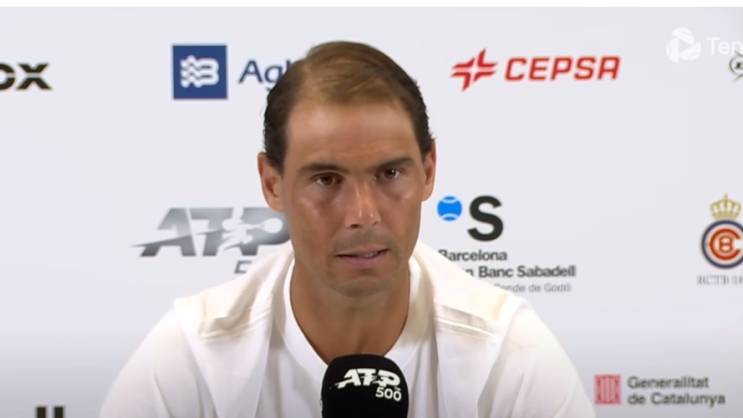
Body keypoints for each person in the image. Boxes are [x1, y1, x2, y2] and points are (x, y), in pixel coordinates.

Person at [100, 41, 595, 418]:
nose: (363, 213)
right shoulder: (193, 356)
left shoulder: (506, 354)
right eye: (327, 180)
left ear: (429, 170)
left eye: (390, 174)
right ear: (272, 184)